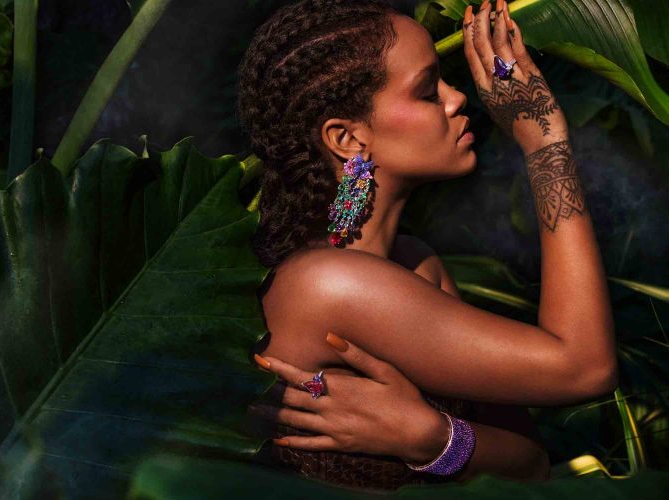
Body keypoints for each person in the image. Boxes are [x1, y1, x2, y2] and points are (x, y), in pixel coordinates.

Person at [236, 0, 617, 491]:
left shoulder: (415, 264)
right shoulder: (327, 283)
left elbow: (530, 465)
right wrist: (544, 141)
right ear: (347, 138)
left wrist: (435, 438)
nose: (457, 98)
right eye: (427, 91)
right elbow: (585, 368)